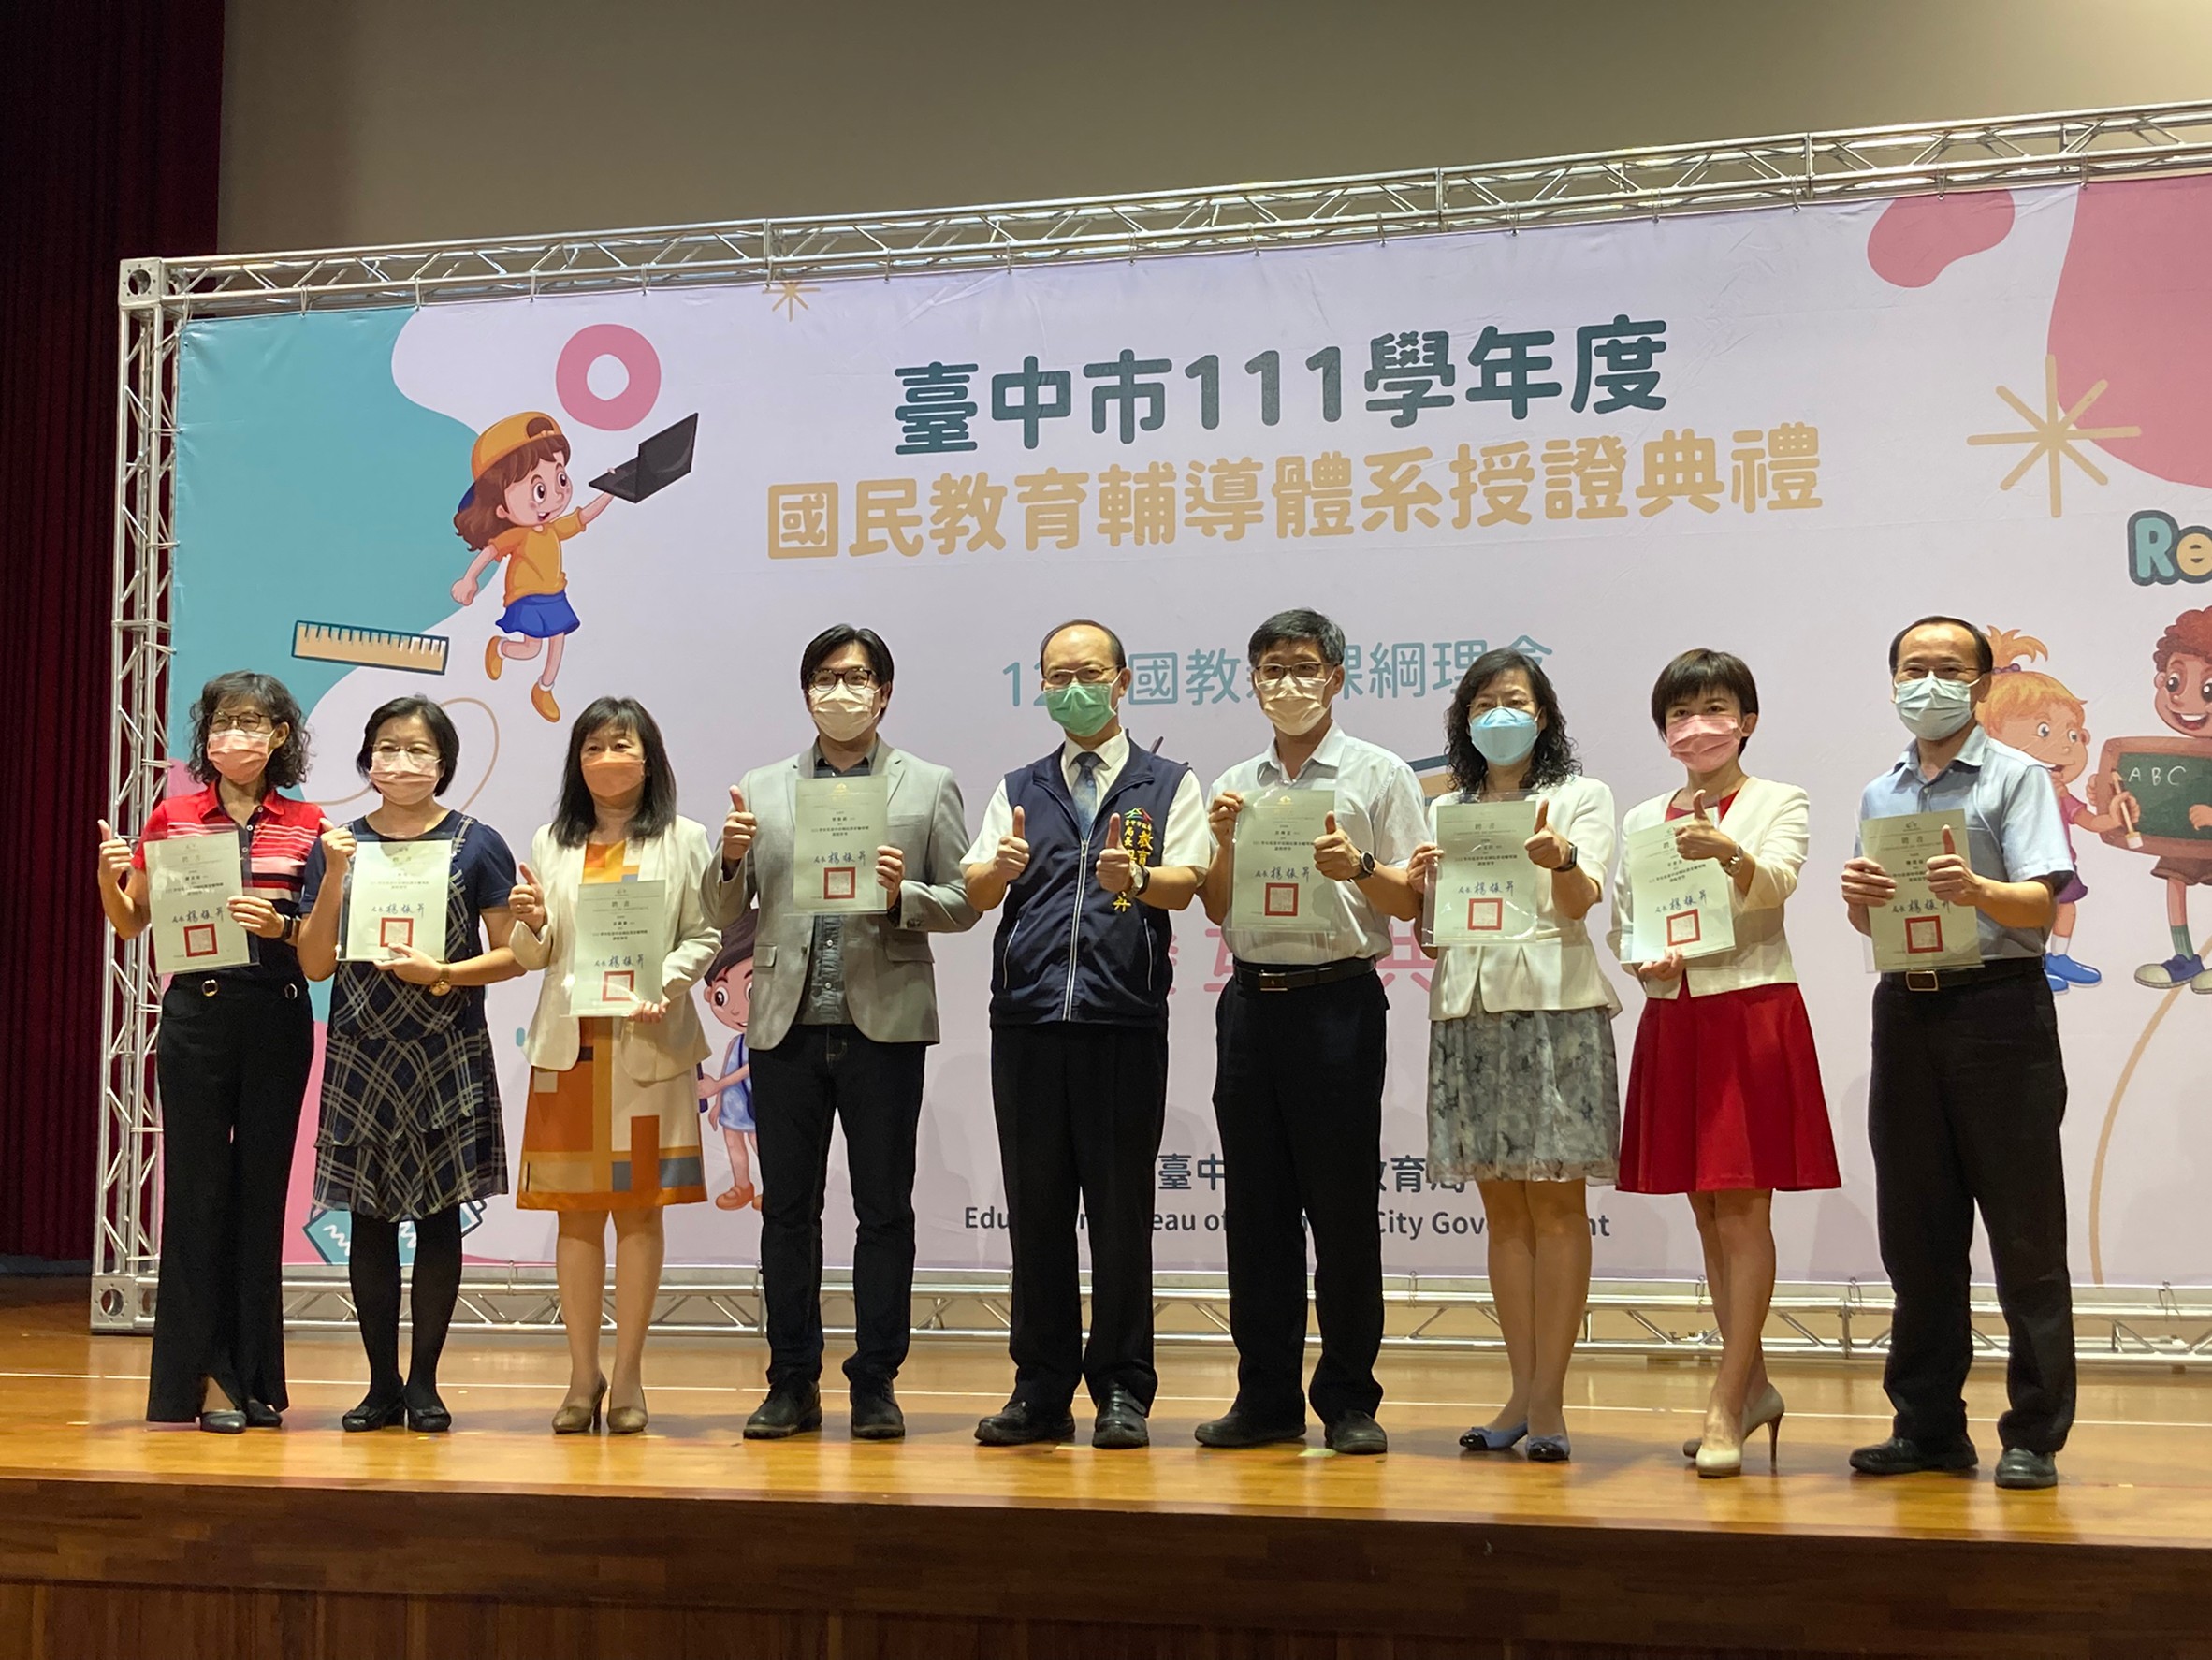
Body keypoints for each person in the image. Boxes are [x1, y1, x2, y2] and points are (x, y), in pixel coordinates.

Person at [713, 625, 981, 1443]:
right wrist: (729, 862)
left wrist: (905, 897)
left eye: (858, 677)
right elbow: (726, 915)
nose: (842, 691)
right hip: (785, 1022)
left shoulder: (927, 785)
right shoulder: (762, 788)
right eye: (827, 677)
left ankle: (876, 1381)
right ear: (806, 692)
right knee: (787, 1213)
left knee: (884, 1210)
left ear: (884, 693)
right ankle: (791, 1380)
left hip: (884, 1021)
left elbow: (964, 901)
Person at [960, 619, 1210, 1449]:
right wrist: (995, 871)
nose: (1073, 688)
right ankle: (1039, 1390)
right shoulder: (1020, 786)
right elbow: (977, 885)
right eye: (1057, 676)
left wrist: (1137, 877)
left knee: (1119, 1212)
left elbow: (1187, 881)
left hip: (1121, 1020)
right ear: (1040, 686)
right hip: (1028, 1021)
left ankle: (1123, 1388)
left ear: (1123, 681)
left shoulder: (1166, 783)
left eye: (1089, 674)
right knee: (1035, 1214)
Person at [1841, 616, 2075, 1492]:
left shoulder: (2016, 777)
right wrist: (1857, 898)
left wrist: (1978, 889)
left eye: (1947, 669)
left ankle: (2034, 1433)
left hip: (1999, 1009)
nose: (1927, 683)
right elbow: (1873, 919)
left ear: (1979, 686)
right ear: (1892, 681)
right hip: (1907, 1007)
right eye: (1913, 668)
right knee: (1917, 1233)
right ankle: (1929, 1426)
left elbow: (2042, 905)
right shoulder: (1882, 792)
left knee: (2024, 1232)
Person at [1194, 609, 1425, 1456]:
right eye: (1270, 669)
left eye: (1302, 666)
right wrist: (1222, 842)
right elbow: (1217, 907)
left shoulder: (1379, 773)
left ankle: (1350, 1400)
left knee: (1342, 1207)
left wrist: (1358, 868)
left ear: (1335, 676)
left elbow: (1413, 900)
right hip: (1251, 1003)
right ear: (1252, 683)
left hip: (1338, 1003)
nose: (1286, 684)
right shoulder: (1235, 783)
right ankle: (1265, 1399)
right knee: (1255, 1212)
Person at [1608, 650, 1839, 1478]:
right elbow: (1626, 919)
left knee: (1743, 1209)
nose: (1695, 728)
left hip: (1750, 1008)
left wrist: (1727, 851)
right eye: (1679, 715)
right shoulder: (1644, 818)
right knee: (1707, 1211)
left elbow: (1776, 884)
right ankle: (1755, 1387)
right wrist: (1643, 960)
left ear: (1746, 721)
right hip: (1676, 1014)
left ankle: (1723, 1399)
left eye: (1712, 710)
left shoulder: (1780, 800)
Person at [95, 671, 324, 1432]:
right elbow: (131, 921)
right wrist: (108, 876)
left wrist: (281, 925)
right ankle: (200, 1383)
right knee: (197, 1196)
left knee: (260, 1199)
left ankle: (255, 1381)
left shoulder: (310, 824)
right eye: (225, 722)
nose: (236, 736)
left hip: (277, 1015)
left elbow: (319, 947)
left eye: (253, 723)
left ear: (280, 736)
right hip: (197, 1015)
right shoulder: (174, 817)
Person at [1404, 648, 1617, 1464]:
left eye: (1516, 701)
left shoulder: (1580, 796)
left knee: (1556, 1206)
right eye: (1483, 703)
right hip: (1469, 1009)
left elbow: (1580, 902)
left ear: (1544, 715)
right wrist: (1423, 888)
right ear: (1464, 721)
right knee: (1503, 1212)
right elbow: (1432, 938)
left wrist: (1561, 858)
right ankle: (1521, 1392)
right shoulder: (1445, 810)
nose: (1500, 715)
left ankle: (1551, 1398)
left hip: (1554, 1005)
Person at [296, 696, 521, 1434]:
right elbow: (315, 962)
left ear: (443, 763)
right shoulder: (338, 845)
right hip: (362, 1049)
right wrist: (334, 874)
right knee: (367, 1221)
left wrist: (444, 974)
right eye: (388, 748)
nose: (401, 762)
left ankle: (424, 1382)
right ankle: (380, 1385)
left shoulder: (477, 843)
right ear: (367, 759)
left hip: (445, 1046)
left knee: (438, 1218)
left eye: (419, 750)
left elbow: (513, 956)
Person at [508, 696, 719, 1434]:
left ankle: (627, 1375)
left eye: (621, 745)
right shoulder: (551, 842)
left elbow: (705, 935)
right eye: (593, 747)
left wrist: (664, 984)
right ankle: (581, 1375)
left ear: (649, 758)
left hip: (647, 1045)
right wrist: (531, 924)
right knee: (574, 1217)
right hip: (569, 1052)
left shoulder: (687, 839)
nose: (607, 760)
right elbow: (535, 954)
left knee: (639, 1213)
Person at [450, 411, 615, 724]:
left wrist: (610, 492)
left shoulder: (554, 529)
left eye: (561, 479)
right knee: (530, 649)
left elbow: (583, 517)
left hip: (555, 593)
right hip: (526, 596)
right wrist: (469, 579)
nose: (556, 495)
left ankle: (544, 688)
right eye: (539, 490)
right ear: (501, 508)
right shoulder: (517, 535)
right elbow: (490, 551)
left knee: (558, 640)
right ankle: (500, 648)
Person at [698, 913, 761, 1212]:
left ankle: (773, 1186)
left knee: (759, 1142)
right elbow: (729, 1065)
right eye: (722, 996)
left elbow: (751, 1068)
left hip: (756, 1099)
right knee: (732, 1140)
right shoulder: (736, 1042)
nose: (736, 1009)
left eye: (751, 991)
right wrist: (720, 1101)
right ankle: (741, 1185)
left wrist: (718, 1086)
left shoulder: (762, 1041)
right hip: (734, 1103)